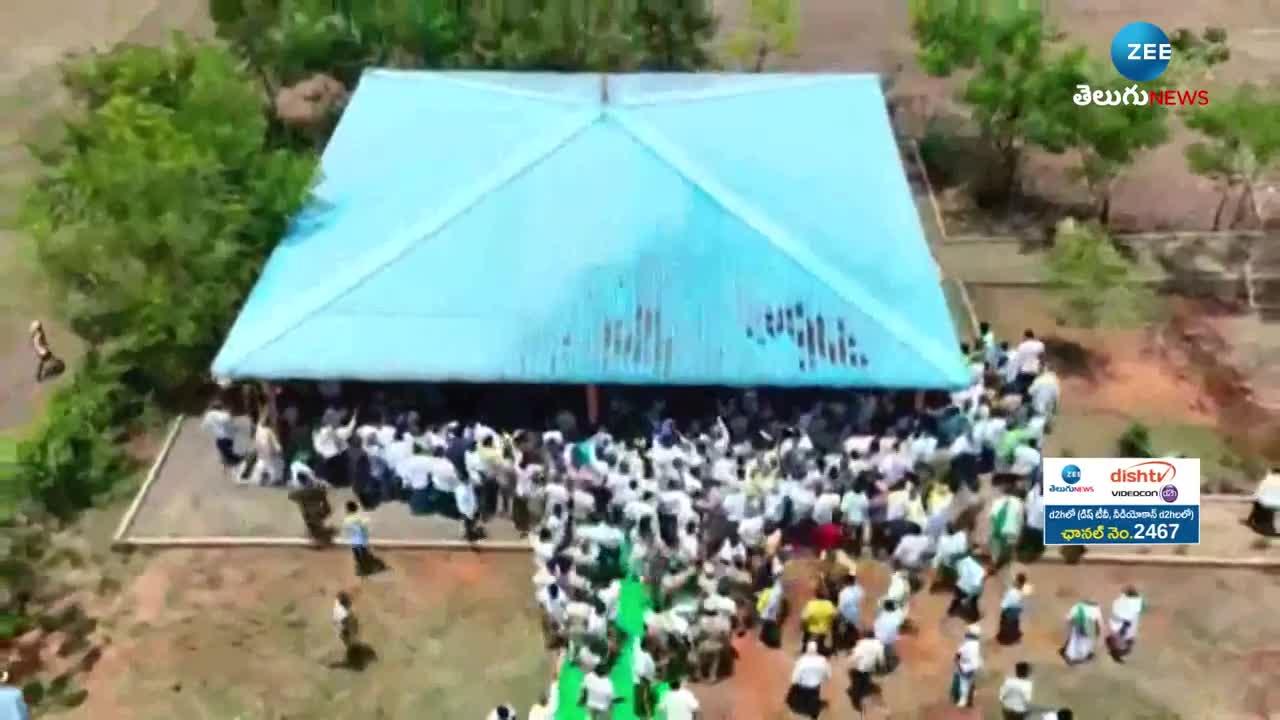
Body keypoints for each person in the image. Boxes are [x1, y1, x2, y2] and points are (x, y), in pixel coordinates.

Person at [786, 641, 830, 719]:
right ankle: (813, 714)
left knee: (800, 695)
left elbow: (796, 673)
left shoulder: (802, 660)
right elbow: (828, 674)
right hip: (815, 685)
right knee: (814, 697)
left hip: (802, 684)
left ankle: (800, 706)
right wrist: (823, 678)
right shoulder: (822, 660)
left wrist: (794, 681)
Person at [287, 472, 332, 543]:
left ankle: (322, 536)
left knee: (313, 526)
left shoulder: (301, 491)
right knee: (314, 526)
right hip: (316, 512)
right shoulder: (316, 489)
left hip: (310, 513)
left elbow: (291, 496)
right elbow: (324, 495)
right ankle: (322, 535)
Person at [849, 630, 885, 712]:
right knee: (864, 683)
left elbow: (853, 658)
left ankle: (857, 703)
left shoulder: (860, 645)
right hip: (868, 668)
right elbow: (880, 659)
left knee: (858, 685)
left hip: (858, 669)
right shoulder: (878, 645)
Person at [988, 485, 1024, 568]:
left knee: (996, 557)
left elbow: (992, 517)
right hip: (1012, 533)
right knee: (1008, 559)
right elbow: (1020, 521)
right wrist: (1019, 536)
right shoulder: (1018, 502)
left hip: (997, 533)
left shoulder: (997, 501)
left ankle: (996, 567)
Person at [1106, 586, 1144, 662]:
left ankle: (1116, 651)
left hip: (1116, 624)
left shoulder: (1118, 600)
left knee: (1120, 639)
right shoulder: (1135, 603)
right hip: (1122, 626)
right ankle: (1116, 653)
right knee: (1122, 640)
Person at [1060, 599, 1103, 665]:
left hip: (1078, 626)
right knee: (1086, 643)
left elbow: (1068, 618)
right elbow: (1099, 622)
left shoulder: (1078, 606)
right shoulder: (1096, 609)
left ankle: (1070, 657)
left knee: (1074, 642)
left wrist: (1070, 625)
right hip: (1090, 627)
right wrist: (1099, 632)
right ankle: (1082, 657)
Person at [201, 399, 242, 468]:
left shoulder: (208, 416)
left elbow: (204, 427)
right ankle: (236, 458)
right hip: (229, 436)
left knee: (224, 448)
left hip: (220, 438)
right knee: (232, 447)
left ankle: (231, 459)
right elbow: (230, 423)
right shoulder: (224, 415)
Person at [951, 623, 982, 708]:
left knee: (964, 683)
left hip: (966, 666)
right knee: (971, 680)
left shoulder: (966, 644)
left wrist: (957, 663)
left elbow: (958, 654)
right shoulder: (977, 644)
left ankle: (963, 700)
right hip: (975, 665)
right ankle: (972, 693)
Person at [949, 552, 986, 622]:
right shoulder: (969, 561)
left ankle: (952, 610)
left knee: (958, 595)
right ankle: (975, 617)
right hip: (979, 586)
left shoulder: (961, 564)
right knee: (973, 601)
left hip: (971, 586)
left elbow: (965, 578)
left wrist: (967, 594)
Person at [800, 588, 837, 655]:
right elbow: (835, 616)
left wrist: (803, 626)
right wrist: (829, 622)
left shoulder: (811, 604)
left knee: (804, 629)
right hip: (824, 631)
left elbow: (803, 618)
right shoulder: (829, 604)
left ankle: (804, 647)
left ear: (816, 595)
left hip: (812, 631)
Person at [997, 573, 1030, 645]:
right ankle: (1015, 638)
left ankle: (1005, 638)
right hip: (1017, 612)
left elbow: (1004, 604)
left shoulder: (1012, 591)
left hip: (1009, 611)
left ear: (1017, 581)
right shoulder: (1023, 591)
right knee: (1015, 625)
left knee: (1006, 624)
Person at [342, 501, 372, 576]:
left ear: (347, 509)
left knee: (357, 557)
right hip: (362, 541)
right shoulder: (359, 518)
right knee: (364, 555)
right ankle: (366, 569)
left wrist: (345, 539)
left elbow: (346, 530)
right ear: (356, 509)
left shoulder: (346, 520)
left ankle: (361, 570)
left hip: (354, 542)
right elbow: (364, 528)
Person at [835, 574, 864, 653]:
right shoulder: (860, 590)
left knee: (840, 627)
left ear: (846, 582)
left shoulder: (844, 592)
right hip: (859, 615)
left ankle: (844, 646)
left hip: (848, 617)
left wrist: (837, 614)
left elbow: (841, 607)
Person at [1248, 467, 1280, 536]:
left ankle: (1250, 520)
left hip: (1267, 505)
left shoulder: (1267, 480)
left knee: (1257, 503)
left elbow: (1258, 493)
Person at [332, 592, 359, 665]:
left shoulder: (343, 611)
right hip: (347, 630)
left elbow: (346, 623)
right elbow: (347, 623)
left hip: (346, 630)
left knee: (349, 643)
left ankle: (352, 655)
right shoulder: (345, 612)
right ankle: (352, 654)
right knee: (350, 643)